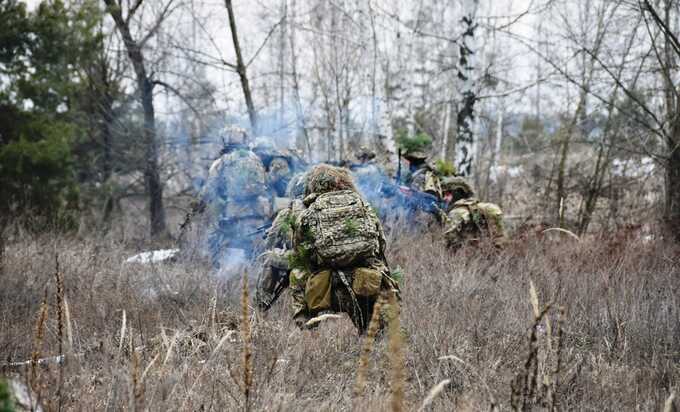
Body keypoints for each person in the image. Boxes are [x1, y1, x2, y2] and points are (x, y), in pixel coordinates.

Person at [288, 164, 398, 333]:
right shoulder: (361, 204)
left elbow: (300, 251)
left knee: (296, 274)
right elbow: (381, 244)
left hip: (325, 285)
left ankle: (305, 324)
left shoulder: (310, 210)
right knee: (384, 278)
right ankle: (383, 327)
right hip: (366, 281)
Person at [199, 130, 271, 265]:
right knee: (258, 250)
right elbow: (265, 182)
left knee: (220, 245)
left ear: (227, 141)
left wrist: (198, 204)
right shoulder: (255, 158)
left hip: (235, 212)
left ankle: (223, 277)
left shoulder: (222, 162)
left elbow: (210, 189)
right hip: (258, 211)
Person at [254, 171, 308, 311]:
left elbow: (271, 240)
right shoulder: (322, 206)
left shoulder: (289, 210)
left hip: (302, 259)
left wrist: (272, 243)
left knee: (269, 257)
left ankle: (261, 304)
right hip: (325, 258)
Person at [440, 176, 506, 249]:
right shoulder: (475, 206)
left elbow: (448, 241)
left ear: (457, 193)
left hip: (467, 256)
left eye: (447, 194)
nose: (445, 198)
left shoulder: (456, 212)